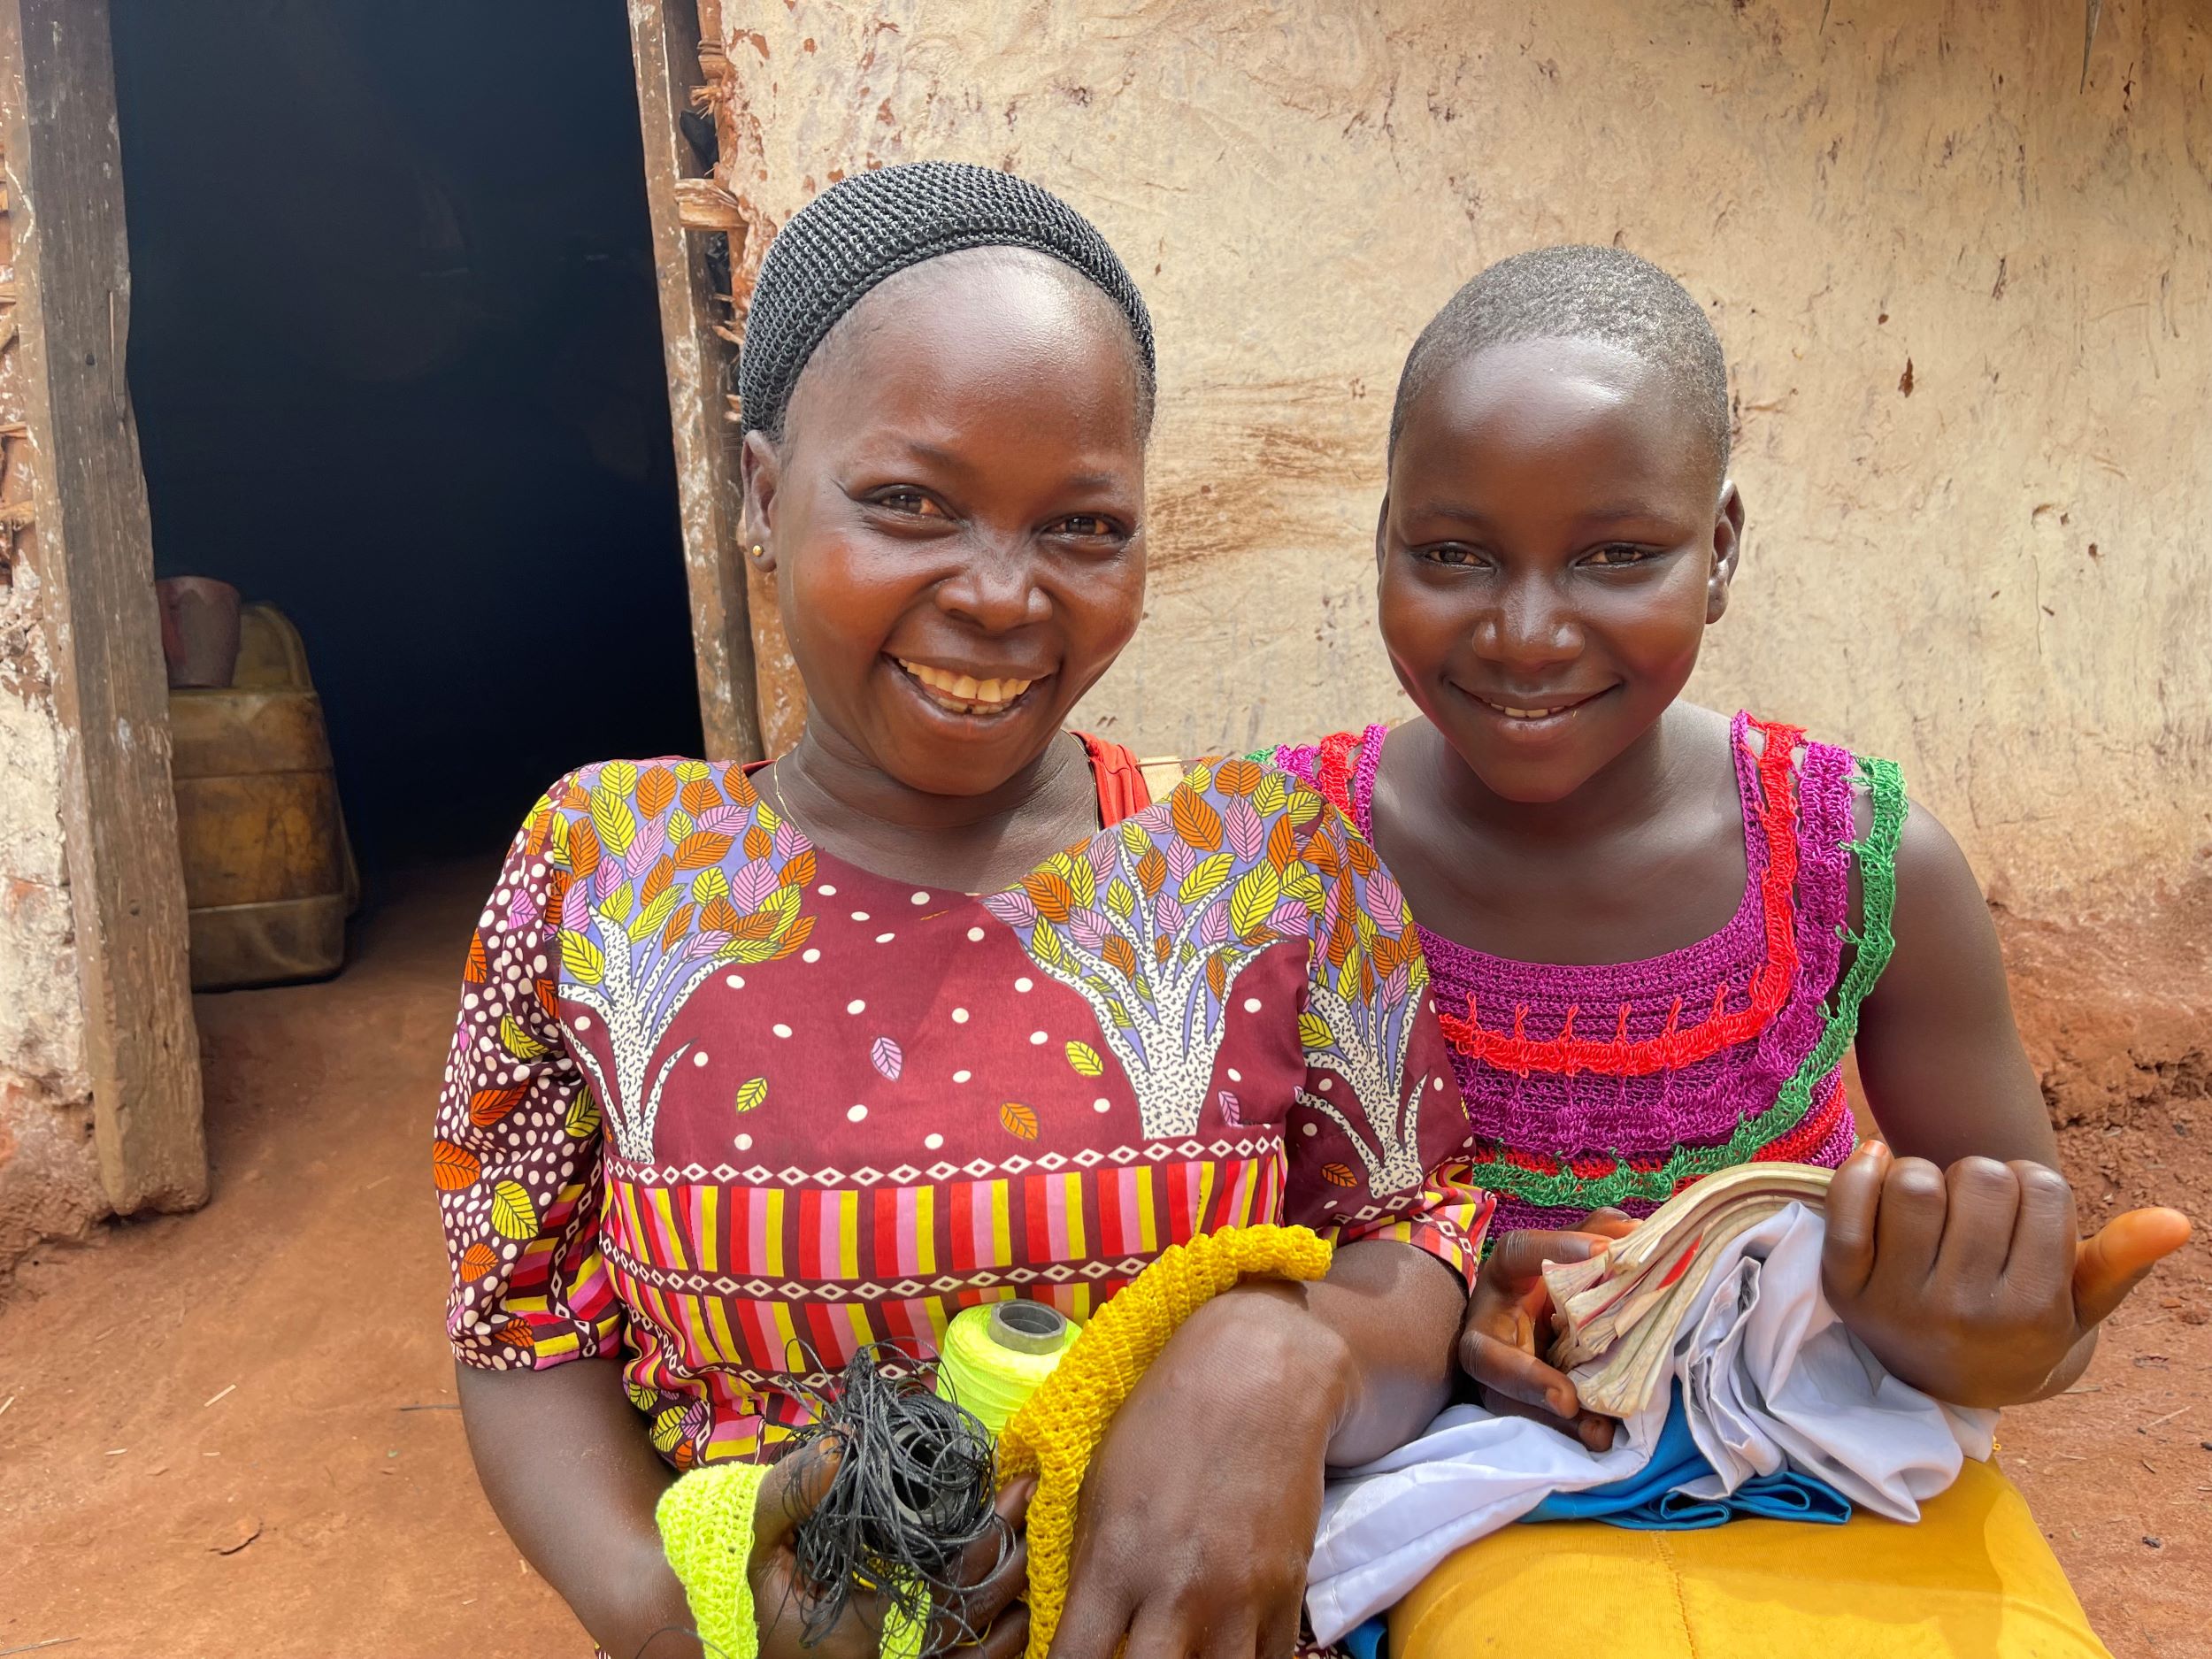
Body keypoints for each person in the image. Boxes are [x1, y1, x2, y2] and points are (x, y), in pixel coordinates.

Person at [434, 161, 1487, 1659]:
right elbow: (520, 1323)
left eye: (1082, 526)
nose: (1001, 594)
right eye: (910, 504)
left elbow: (1417, 1250)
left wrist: (1274, 1359)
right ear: (758, 492)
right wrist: (668, 1610)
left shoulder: (1266, 865)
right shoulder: (606, 871)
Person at [1265, 245, 2189, 1655]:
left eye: (1618, 555)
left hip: (1802, 1510)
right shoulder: (1282, 861)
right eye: (1452, 554)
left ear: (1724, 553)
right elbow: (1203, 1253)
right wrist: (1445, 1293)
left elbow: (2032, 1313)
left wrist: (1975, 1333)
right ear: (1380, 539)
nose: (1525, 631)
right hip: (1412, 1510)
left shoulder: (1852, 864)